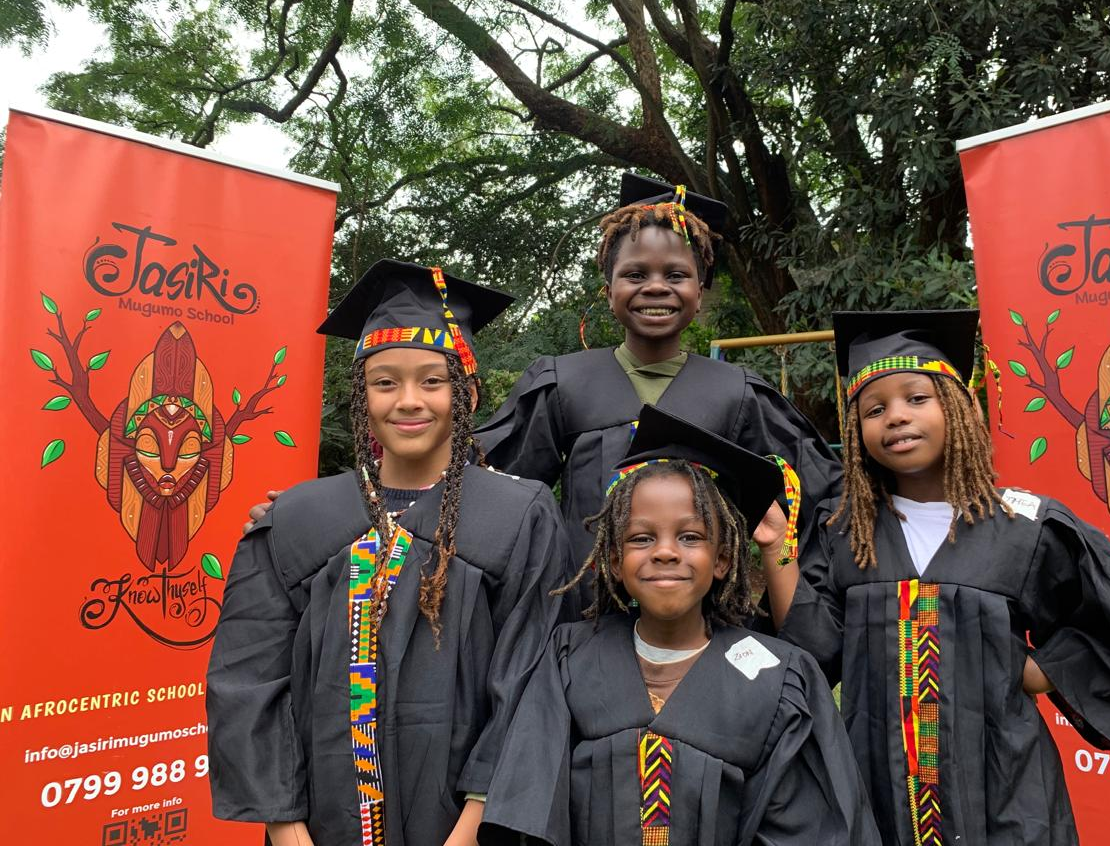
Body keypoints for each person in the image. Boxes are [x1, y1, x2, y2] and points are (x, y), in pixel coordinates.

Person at [764, 309, 1110, 846]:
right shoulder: (848, 533)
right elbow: (816, 651)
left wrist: (1037, 670)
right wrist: (776, 551)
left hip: (1004, 782)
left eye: (917, 398)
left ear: (961, 408)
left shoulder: (1023, 527)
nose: (896, 417)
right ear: (856, 432)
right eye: (875, 409)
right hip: (877, 780)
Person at [207, 260, 574, 846]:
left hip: (468, 826)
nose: (409, 401)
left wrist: (474, 828)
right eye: (385, 382)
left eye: (433, 380)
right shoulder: (300, 520)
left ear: (468, 390)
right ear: (360, 395)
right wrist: (284, 825)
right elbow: (248, 679)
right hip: (318, 824)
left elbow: (532, 681)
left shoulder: (516, 516)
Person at [478, 404, 879, 846]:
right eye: (641, 538)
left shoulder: (779, 680)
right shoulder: (568, 660)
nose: (665, 552)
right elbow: (530, 810)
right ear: (614, 558)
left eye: (690, 537)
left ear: (724, 558)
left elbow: (807, 828)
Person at [474, 174, 842, 602]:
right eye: (634, 273)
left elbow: (819, 498)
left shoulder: (739, 394)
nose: (655, 286)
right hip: (581, 621)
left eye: (676, 274)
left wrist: (787, 595)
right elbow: (496, 487)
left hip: (705, 626)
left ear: (699, 292)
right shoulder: (562, 383)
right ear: (609, 291)